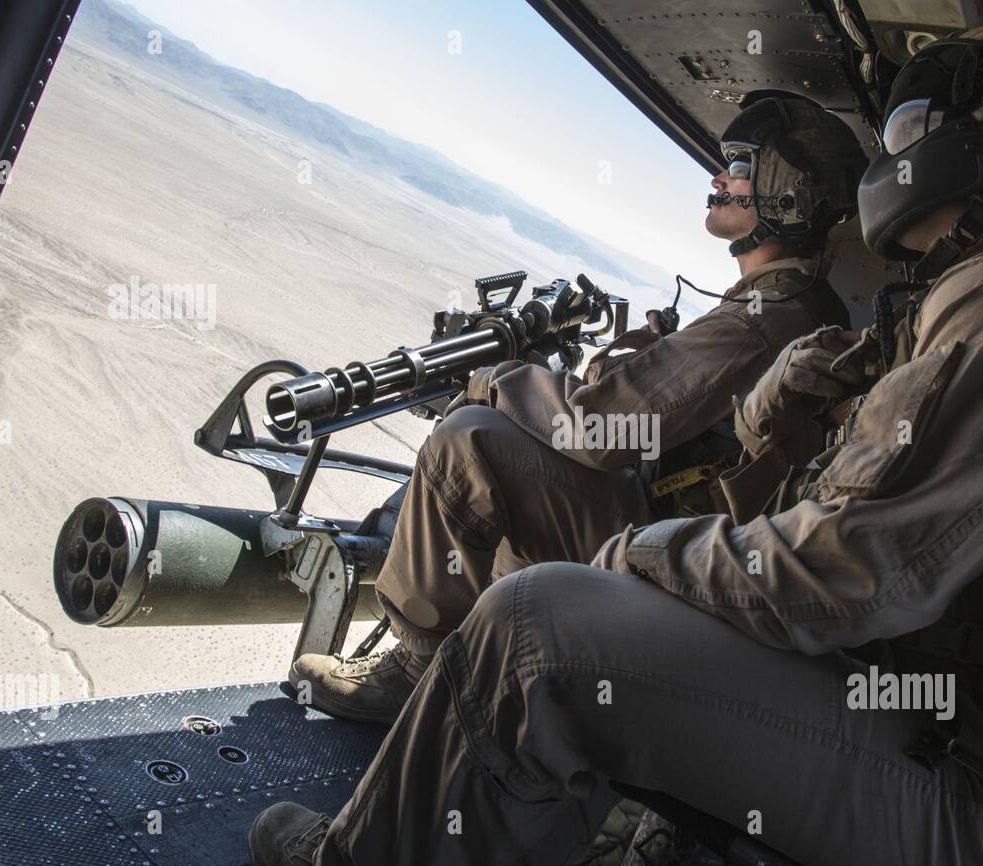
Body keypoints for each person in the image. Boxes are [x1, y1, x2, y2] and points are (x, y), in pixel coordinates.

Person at [250, 18, 983, 866]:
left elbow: (859, 572)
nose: (898, 159)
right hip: (961, 735)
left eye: (917, 132)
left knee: (540, 628)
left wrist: (638, 553)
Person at [290, 92, 869, 723]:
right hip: (688, 542)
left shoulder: (765, 319)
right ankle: (485, 662)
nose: (717, 178)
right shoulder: (797, 306)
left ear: (787, 195)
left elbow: (601, 426)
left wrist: (500, 380)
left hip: (665, 552)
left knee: (470, 443)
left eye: (739, 166)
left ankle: (416, 672)